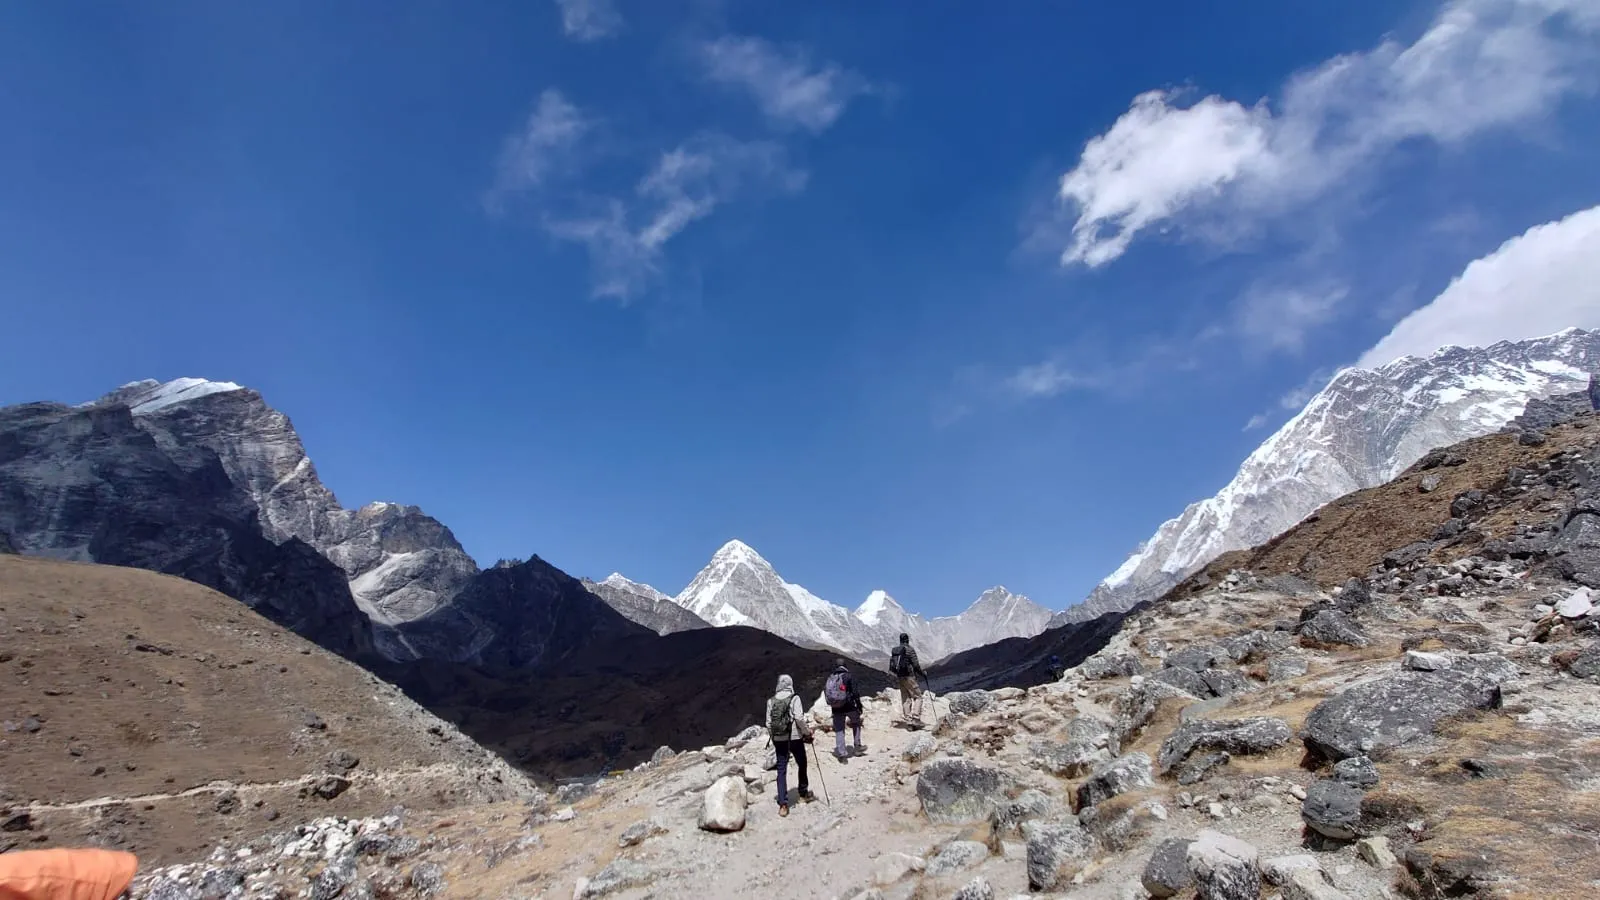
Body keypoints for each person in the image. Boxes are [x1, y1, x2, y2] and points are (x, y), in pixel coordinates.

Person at [766, 672, 815, 816]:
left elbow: (768, 723)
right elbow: (799, 718)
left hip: (779, 739)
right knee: (802, 763)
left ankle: (783, 804)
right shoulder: (795, 698)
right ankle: (803, 792)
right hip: (794, 737)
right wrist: (806, 733)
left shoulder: (771, 701)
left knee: (781, 770)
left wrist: (774, 737)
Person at [823, 658, 865, 759]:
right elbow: (855, 693)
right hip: (849, 706)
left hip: (836, 707)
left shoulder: (831, 677)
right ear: (845, 666)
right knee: (856, 723)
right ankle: (857, 747)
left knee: (839, 729)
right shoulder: (848, 676)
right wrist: (859, 705)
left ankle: (842, 753)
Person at [888, 633, 927, 728]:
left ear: (900, 640)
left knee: (905, 699)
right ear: (907, 640)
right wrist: (923, 673)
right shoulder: (909, 650)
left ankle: (909, 722)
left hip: (900, 677)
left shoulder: (895, 651)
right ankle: (916, 718)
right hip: (909, 677)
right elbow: (916, 665)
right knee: (918, 697)